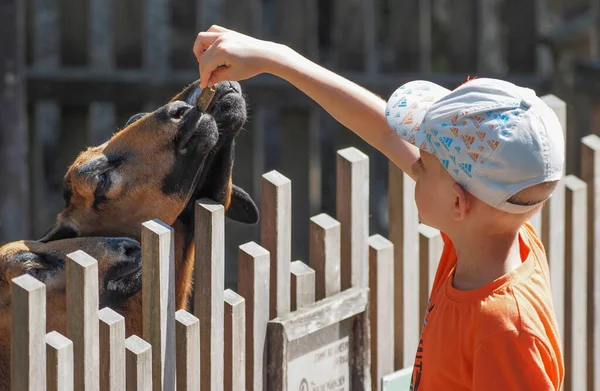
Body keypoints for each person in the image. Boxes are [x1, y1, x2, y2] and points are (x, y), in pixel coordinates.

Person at [193, 26, 565, 390]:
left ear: (457, 202)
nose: (411, 163)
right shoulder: (492, 239)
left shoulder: (506, 329)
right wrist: (277, 58)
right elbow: (386, 129)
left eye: (422, 162)